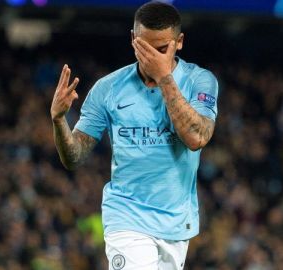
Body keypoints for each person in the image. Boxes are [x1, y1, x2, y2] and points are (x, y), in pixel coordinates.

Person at [50, 2, 218, 269]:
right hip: (126, 217)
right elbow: (74, 157)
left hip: (176, 222)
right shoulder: (108, 89)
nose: (152, 57)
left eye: (161, 49)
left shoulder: (200, 81)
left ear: (180, 42)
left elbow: (196, 138)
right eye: (144, 47)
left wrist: (165, 78)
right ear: (132, 39)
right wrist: (59, 121)